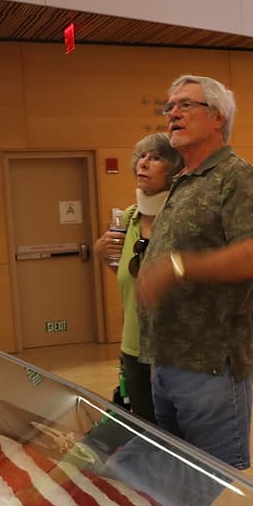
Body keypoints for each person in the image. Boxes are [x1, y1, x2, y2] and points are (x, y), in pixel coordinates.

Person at [134, 75, 253, 470]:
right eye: (170, 107)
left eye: (185, 105)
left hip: (210, 365)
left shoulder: (235, 176)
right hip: (168, 362)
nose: (172, 114)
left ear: (218, 117)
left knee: (213, 483)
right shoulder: (184, 181)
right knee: (177, 478)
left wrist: (177, 268)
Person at [92, 133, 183, 423]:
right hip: (133, 346)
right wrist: (103, 255)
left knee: (175, 433)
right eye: (142, 157)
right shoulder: (129, 218)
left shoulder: (182, 219)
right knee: (145, 429)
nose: (143, 163)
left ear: (175, 169)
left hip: (174, 350)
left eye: (156, 158)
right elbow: (133, 280)